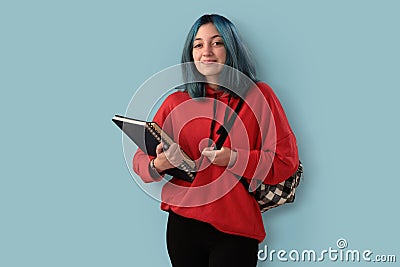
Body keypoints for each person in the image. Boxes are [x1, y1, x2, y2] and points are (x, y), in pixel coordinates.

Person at [133, 14, 299, 267]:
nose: (206, 51)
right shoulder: (175, 103)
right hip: (183, 225)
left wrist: (234, 158)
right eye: (198, 45)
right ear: (191, 53)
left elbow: (285, 162)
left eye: (217, 43)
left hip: (236, 228)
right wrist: (160, 164)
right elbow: (140, 161)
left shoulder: (259, 96)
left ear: (230, 48)